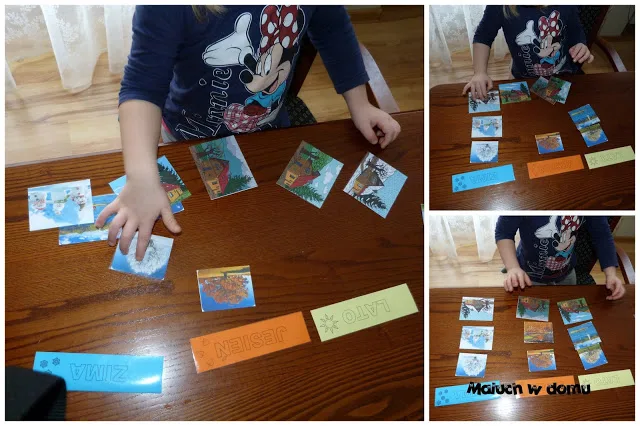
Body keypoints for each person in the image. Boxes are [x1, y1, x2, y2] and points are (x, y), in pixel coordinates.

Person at [95, 5, 401, 260]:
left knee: (272, 236)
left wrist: (360, 103)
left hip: (268, 137)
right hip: (188, 139)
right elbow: (142, 87)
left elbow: (333, 28)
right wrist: (141, 177)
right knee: (205, 241)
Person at [463, 5, 594, 100]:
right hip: (522, 77)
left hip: (564, 76)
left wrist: (580, 44)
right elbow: (483, 36)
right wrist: (479, 72)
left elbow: (575, 29)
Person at [495, 216, 626, 300]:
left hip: (567, 274)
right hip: (528, 277)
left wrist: (611, 274)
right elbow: (504, 232)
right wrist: (512, 267)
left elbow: (602, 235)